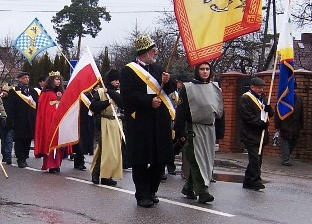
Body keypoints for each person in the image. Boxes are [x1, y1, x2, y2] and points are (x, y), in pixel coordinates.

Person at [120, 35, 176, 208]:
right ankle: (142, 194)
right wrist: (148, 101)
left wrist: (168, 82)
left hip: (160, 121)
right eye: (153, 50)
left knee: (161, 158)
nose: (156, 53)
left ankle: (152, 190)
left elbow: (170, 90)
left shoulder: (158, 69)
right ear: (144, 52)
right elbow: (127, 94)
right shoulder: (128, 71)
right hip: (140, 122)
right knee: (141, 159)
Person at [174, 62, 223, 203]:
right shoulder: (188, 88)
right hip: (194, 129)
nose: (205, 72)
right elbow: (181, 112)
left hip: (210, 129)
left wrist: (220, 131)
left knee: (206, 160)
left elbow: (220, 111)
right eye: (202, 69)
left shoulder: (215, 88)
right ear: (197, 71)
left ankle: (189, 187)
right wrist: (180, 131)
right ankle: (203, 191)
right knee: (196, 159)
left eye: (207, 69)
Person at [238, 77, 273, 191]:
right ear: (252, 87)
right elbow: (246, 115)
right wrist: (259, 123)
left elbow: (268, 113)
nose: (261, 90)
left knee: (258, 158)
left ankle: (248, 180)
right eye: (259, 88)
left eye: (262, 88)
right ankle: (256, 180)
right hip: (250, 133)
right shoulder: (246, 98)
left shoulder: (262, 98)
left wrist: (269, 110)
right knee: (255, 158)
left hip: (260, 134)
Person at [89, 69, 123, 186]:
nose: (117, 82)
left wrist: (112, 93)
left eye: (118, 80)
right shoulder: (100, 92)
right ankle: (96, 172)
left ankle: (107, 176)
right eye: (115, 80)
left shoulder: (118, 92)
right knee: (104, 149)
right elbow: (93, 106)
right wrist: (107, 102)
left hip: (115, 122)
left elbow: (122, 103)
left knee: (114, 152)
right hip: (103, 121)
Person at [4, 71, 38, 168]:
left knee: (27, 139)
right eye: (24, 77)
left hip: (30, 120)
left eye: (28, 77)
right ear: (19, 79)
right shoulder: (14, 91)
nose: (26, 79)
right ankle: (20, 159)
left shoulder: (33, 91)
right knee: (19, 140)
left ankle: (25, 156)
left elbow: (37, 106)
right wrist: (11, 120)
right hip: (19, 119)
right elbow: (10, 107)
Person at [34, 71, 64, 173]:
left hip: (59, 122)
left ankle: (57, 164)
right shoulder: (46, 94)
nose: (58, 81)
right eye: (56, 79)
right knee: (51, 144)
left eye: (59, 79)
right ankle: (51, 165)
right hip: (50, 122)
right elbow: (45, 111)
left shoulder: (60, 92)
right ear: (51, 80)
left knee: (59, 145)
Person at [274, 83, 304, 166]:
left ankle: (287, 155)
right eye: (292, 89)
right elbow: (278, 114)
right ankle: (285, 159)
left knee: (294, 141)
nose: (293, 91)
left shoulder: (299, 99)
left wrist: (301, 124)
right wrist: (277, 126)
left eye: (295, 89)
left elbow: (301, 112)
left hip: (296, 124)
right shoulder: (283, 99)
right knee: (286, 140)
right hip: (286, 124)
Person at [0, 83, 14, 165]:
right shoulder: (0, 100)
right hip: (2, 124)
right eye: (3, 90)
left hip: (10, 124)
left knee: (9, 141)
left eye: (6, 91)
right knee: (3, 141)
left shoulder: (12, 101)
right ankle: (4, 155)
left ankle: (8, 157)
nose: (4, 92)